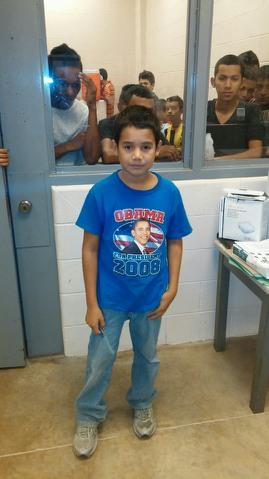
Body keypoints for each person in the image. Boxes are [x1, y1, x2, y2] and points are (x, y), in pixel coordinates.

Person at [73, 105, 192, 459]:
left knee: (147, 356)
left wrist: (172, 288)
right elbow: (90, 249)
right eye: (128, 147)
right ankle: (88, 414)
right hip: (109, 298)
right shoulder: (101, 193)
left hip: (151, 297)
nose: (137, 155)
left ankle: (142, 402)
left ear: (159, 148)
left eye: (145, 146)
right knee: (99, 360)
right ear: (116, 148)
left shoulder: (169, 193)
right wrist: (92, 303)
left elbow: (174, 241)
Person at [99, 84, 180, 163]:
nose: (145, 114)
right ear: (123, 108)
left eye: (149, 111)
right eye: (139, 109)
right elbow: (108, 156)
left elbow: (170, 151)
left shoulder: (150, 125)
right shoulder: (108, 124)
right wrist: (154, 153)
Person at [48, 43, 100, 165]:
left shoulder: (83, 111)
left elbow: (92, 158)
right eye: (63, 84)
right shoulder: (38, 110)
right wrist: (68, 146)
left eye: (76, 85)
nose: (70, 92)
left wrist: (92, 106)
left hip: (75, 180)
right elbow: (33, 160)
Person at [207, 54, 263, 159]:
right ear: (213, 82)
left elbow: (256, 152)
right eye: (222, 78)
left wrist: (215, 162)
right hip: (203, 174)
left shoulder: (251, 110)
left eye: (234, 79)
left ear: (242, 82)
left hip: (239, 174)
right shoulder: (202, 109)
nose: (228, 85)